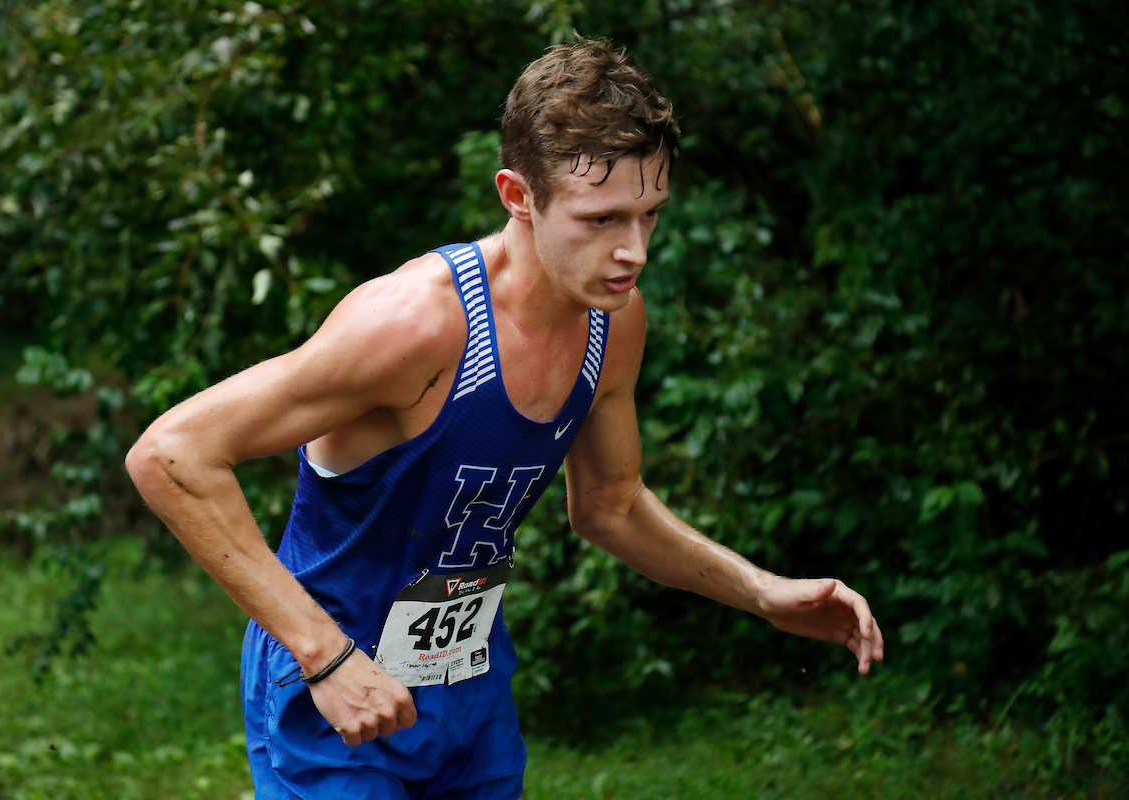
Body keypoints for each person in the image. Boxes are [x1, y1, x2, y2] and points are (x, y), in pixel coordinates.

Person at [126, 36, 884, 800]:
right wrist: (324, 655)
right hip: (335, 689)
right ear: (518, 197)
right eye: (602, 220)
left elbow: (611, 507)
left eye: (650, 215)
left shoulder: (611, 322)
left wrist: (762, 591)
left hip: (469, 689)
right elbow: (172, 454)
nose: (635, 251)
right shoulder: (415, 326)